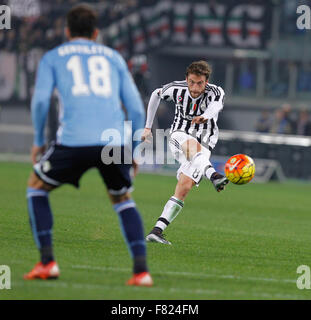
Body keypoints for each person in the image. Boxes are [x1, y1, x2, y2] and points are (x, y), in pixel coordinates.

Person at [24, 4, 153, 287]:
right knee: (122, 199)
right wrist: (131, 148)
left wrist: (37, 141)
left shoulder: (53, 57)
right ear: (96, 33)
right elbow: (135, 108)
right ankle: (141, 272)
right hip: (112, 143)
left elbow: (42, 101)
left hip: (73, 142)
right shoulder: (114, 57)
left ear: (67, 31)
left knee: (36, 188)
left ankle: (47, 263)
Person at [142, 60, 228, 245]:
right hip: (180, 134)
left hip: (205, 140)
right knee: (191, 146)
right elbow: (155, 95)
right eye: (191, 82)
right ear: (186, 79)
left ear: (206, 82)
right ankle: (213, 174)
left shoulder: (216, 92)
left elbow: (216, 106)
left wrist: (205, 116)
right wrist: (148, 127)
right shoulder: (176, 88)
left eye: (200, 83)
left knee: (185, 186)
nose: (195, 88)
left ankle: (157, 231)